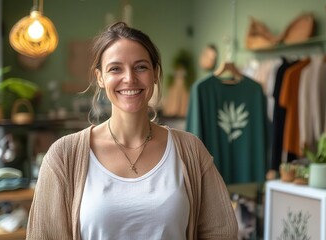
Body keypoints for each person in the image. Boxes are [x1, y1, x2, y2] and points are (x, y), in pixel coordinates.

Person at [26, 22, 238, 239]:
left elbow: (222, 231)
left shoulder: (190, 150)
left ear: (155, 73)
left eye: (141, 67)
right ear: (100, 77)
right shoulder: (64, 156)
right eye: (115, 68)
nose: (129, 78)